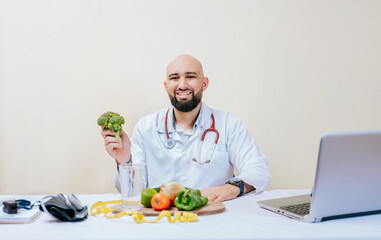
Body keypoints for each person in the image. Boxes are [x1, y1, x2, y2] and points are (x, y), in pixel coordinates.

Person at [101, 54, 271, 202]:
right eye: (174, 78)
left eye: (190, 76)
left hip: (214, 219)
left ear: (204, 83)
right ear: (166, 85)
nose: (182, 85)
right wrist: (125, 161)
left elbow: (259, 170)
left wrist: (232, 188)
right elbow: (133, 192)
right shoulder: (145, 127)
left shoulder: (228, 124)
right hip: (161, 218)